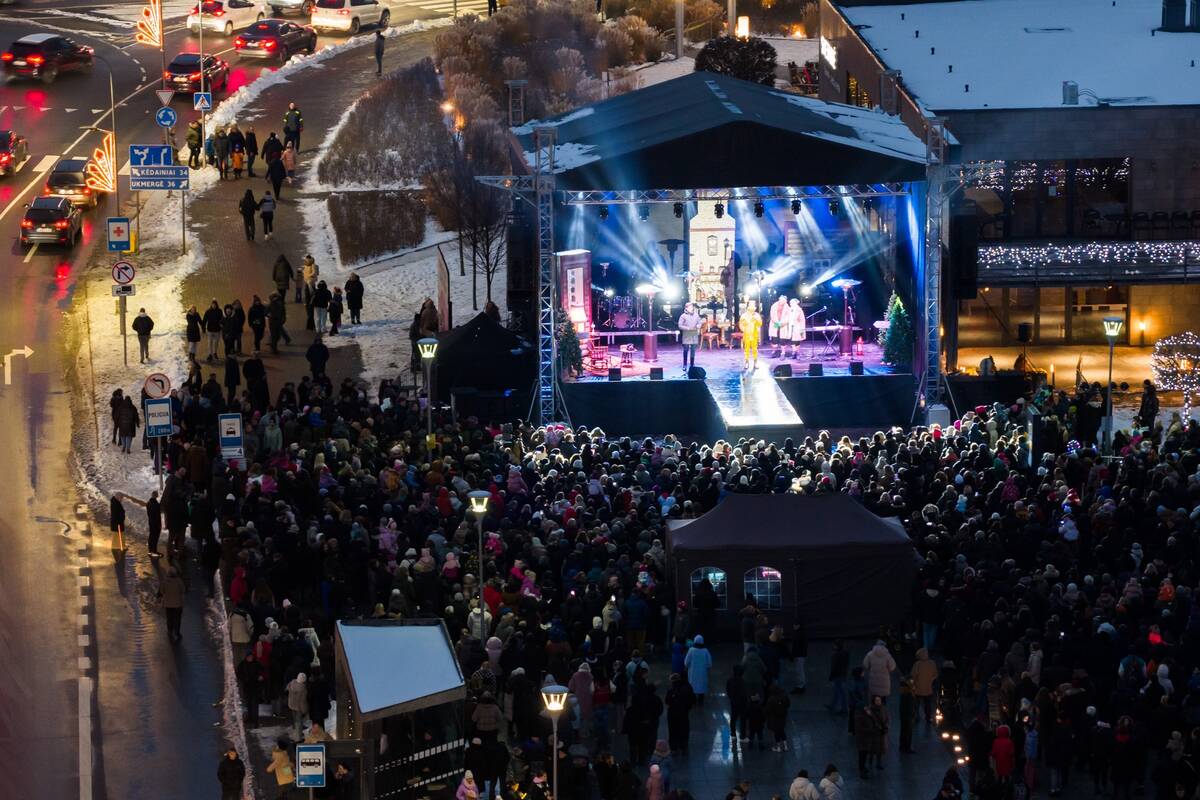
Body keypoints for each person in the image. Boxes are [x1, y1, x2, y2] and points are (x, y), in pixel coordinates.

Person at [158, 566, 186, 641]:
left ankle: (170, 631)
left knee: (169, 618)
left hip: (168, 604)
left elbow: (161, 591)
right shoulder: (179, 581)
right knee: (177, 619)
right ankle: (177, 632)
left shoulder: (164, 581)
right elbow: (183, 590)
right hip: (178, 604)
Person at [684, 634, 711, 705]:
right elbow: (709, 664)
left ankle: (693, 702)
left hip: (692, 675)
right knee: (701, 688)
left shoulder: (691, 650)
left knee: (692, 688)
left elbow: (686, 663)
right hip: (702, 675)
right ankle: (700, 702)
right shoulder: (706, 651)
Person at [677, 302, 701, 372]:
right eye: (689, 307)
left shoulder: (696, 315)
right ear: (686, 308)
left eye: (692, 307)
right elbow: (680, 325)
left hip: (694, 334)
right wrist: (687, 328)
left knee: (693, 350)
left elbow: (699, 322)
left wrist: (698, 326)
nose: (691, 308)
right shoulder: (683, 316)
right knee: (686, 350)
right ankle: (685, 364)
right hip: (686, 334)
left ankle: (692, 364)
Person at [739, 299, 762, 370]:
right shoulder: (744, 315)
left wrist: (756, 319)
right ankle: (746, 362)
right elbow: (741, 324)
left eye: (753, 307)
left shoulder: (757, 315)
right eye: (751, 307)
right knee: (746, 349)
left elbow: (760, 324)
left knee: (755, 349)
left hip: (754, 334)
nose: (752, 309)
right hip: (747, 334)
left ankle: (755, 362)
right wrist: (744, 330)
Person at [287, 672, 309, 740]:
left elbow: (287, 689)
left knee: (294, 721)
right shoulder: (303, 688)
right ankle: (298, 737)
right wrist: (305, 710)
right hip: (298, 707)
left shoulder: (292, 683)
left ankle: (295, 734)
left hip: (291, 705)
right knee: (299, 722)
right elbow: (302, 701)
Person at [146, 489, 162, 557]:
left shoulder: (148, 503)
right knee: (155, 537)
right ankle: (154, 551)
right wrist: (159, 524)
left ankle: (150, 550)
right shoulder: (156, 504)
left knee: (151, 536)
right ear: (156, 496)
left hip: (151, 522)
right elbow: (158, 515)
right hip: (156, 523)